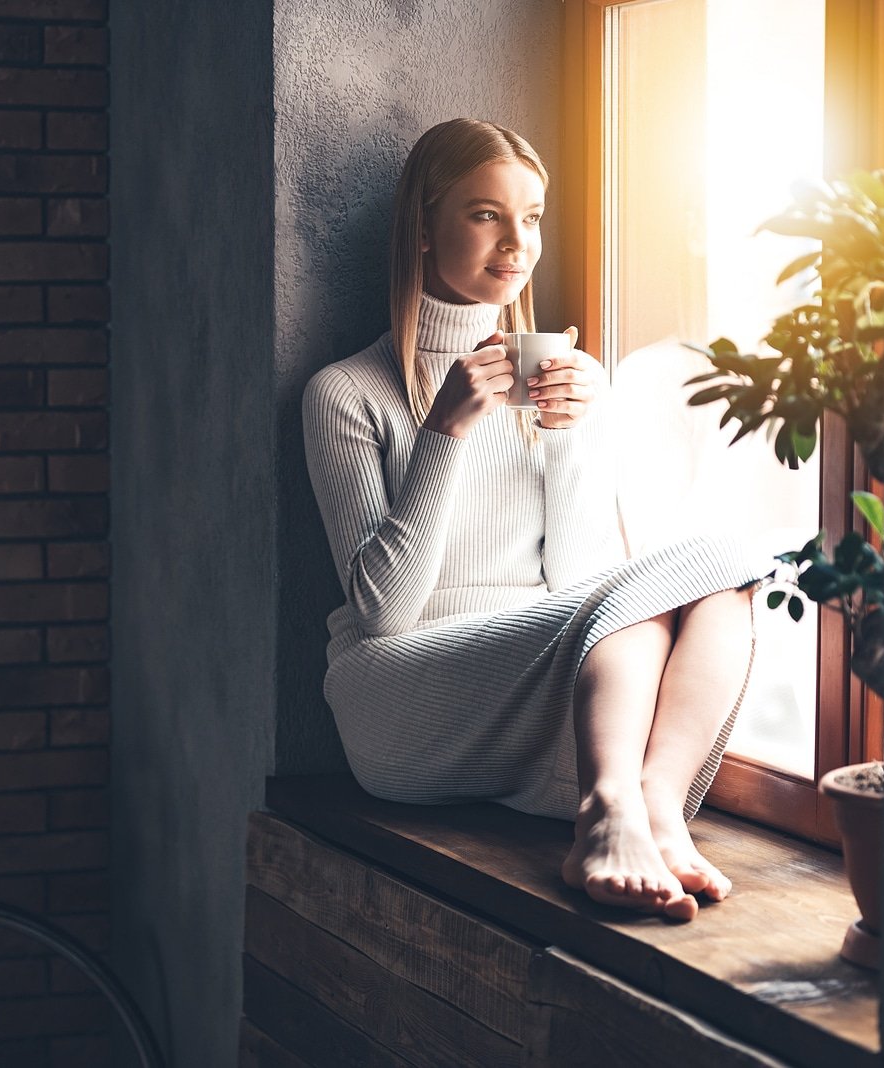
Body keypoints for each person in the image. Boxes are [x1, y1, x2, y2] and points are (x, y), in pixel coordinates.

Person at [302, 118, 763, 921]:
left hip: (542, 675)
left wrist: (578, 430)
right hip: (399, 696)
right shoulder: (346, 392)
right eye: (486, 214)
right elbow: (383, 614)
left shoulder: (554, 381)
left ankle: (646, 804)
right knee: (657, 592)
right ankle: (610, 808)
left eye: (534, 216)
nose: (517, 242)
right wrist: (444, 432)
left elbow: (584, 587)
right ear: (423, 229)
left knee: (727, 567)